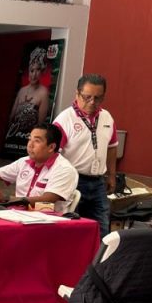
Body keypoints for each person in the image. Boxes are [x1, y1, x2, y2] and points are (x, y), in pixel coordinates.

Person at [0, 123, 79, 213]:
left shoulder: (64, 169)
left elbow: (47, 200)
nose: (30, 145)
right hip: (17, 213)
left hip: (46, 220)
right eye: (29, 139)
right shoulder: (24, 162)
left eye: (37, 141)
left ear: (51, 147)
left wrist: (7, 199)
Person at [52, 73, 118, 234]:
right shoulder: (64, 120)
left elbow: (112, 147)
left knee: (101, 229)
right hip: (73, 180)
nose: (92, 102)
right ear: (77, 93)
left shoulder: (107, 117)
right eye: (87, 97)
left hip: (98, 182)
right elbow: (53, 156)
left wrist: (111, 175)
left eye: (98, 98)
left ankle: (100, 252)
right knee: (72, 228)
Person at [6, 48, 50, 140]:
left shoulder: (43, 92)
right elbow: (11, 117)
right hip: (13, 136)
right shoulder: (22, 91)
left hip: (30, 138)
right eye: (32, 70)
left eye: (38, 70)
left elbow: (40, 124)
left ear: (41, 72)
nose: (34, 74)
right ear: (28, 72)